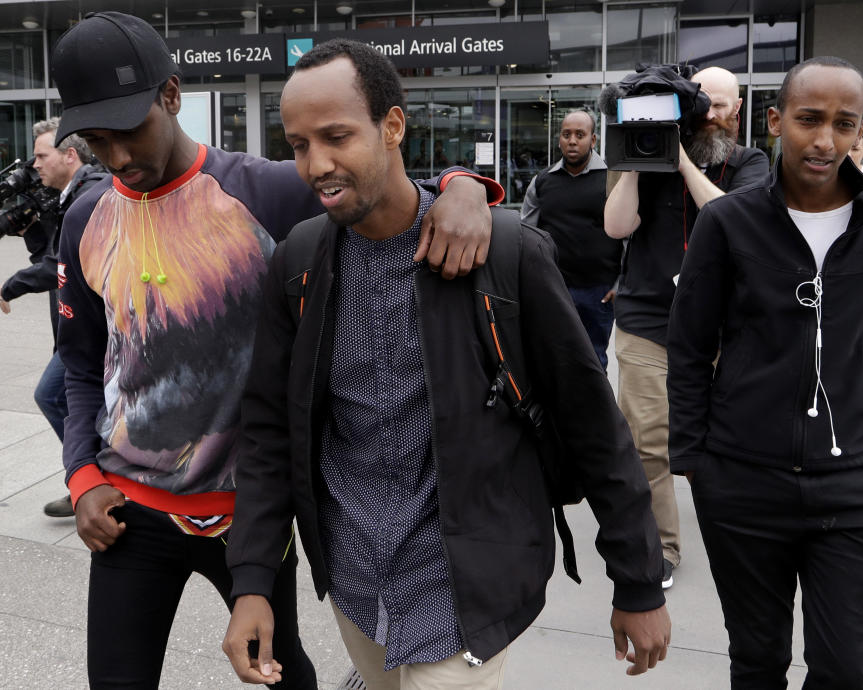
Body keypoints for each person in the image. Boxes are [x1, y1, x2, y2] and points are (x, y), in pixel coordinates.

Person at [51, 12, 498, 688]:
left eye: (129, 130)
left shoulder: (268, 191)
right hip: (130, 514)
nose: (116, 158)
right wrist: (82, 477)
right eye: (94, 140)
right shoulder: (85, 218)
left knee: (283, 675)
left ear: (171, 96)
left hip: (254, 517)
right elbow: (81, 365)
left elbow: (386, 190)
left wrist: (467, 187)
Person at [222, 39, 671, 689]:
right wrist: (254, 581)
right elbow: (267, 430)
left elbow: (594, 424)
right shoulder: (299, 261)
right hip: (355, 585)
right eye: (297, 145)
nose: (316, 163)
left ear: (393, 126)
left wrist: (638, 580)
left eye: (337, 136)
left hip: (463, 587)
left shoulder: (506, 254)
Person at [667, 56, 863, 688]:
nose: (824, 140)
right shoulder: (726, 220)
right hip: (741, 485)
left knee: (848, 669)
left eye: (844, 125)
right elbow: (688, 345)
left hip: (857, 487)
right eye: (809, 120)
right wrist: (697, 458)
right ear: (775, 121)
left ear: (861, 133)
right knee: (757, 663)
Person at [603, 66, 769, 588]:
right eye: (700, 106)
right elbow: (615, 227)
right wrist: (635, 161)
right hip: (647, 322)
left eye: (719, 106)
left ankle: (743, 533)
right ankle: (662, 548)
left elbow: (738, 222)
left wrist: (680, 163)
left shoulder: (751, 162)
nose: (709, 116)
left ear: (737, 111)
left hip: (725, 329)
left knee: (731, 440)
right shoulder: (646, 159)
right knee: (647, 441)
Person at [0, 117, 106, 518]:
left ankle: (91, 475)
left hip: (90, 329)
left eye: (43, 155)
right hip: (77, 327)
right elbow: (47, 254)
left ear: (70, 155)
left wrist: (9, 286)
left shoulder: (89, 195)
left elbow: (57, 265)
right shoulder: (67, 195)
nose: (36, 164)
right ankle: (89, 475)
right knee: (82, 403)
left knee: (51, 394)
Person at [520, 109, 622, 370]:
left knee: (593, 360)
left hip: (599, 291)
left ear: (593, 140)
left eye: (580, 134)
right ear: (559, 140)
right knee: (553, 358)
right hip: (554, 288)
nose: (573, 141)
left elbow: (628, 236)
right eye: (567, 135)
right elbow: (526, 235)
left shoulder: (612, 179)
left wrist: (620, 282)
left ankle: (594, 411)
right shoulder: (542, 182)